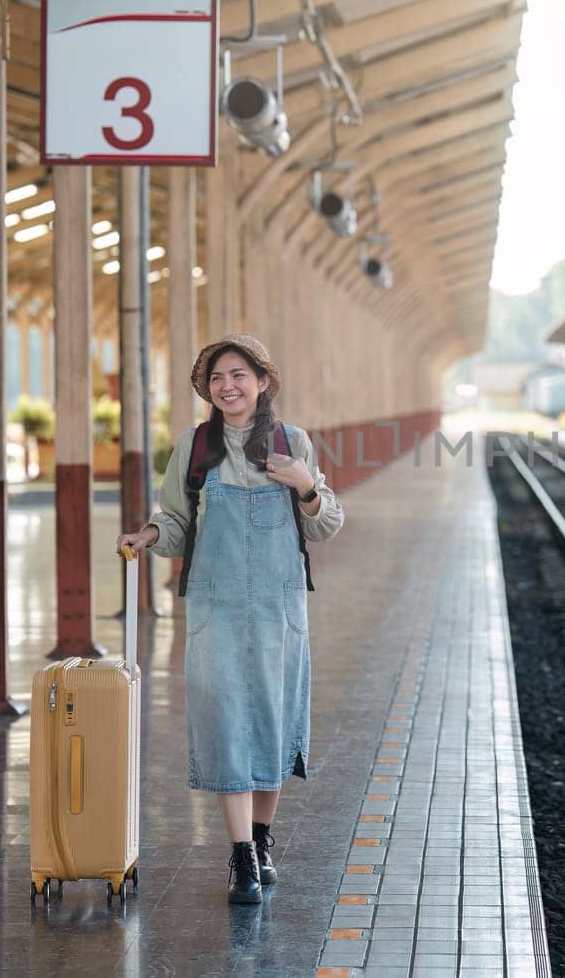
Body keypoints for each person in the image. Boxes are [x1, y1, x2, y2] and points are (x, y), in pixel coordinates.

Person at [117, 334, 343, 905]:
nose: (228, 386)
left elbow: (324, 525)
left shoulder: (294, 444)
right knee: (224, 725)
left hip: (277, 610)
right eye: (218, 379)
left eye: (239, 375)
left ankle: (262, 839)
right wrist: (146, 536)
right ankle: (241, 855)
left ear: (263, 381)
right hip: (214, 611)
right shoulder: (192, 447)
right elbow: (174, 521)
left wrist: (306, 486)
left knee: (270, 722)